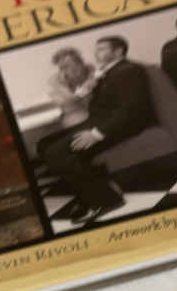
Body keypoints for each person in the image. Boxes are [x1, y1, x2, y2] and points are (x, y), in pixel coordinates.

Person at [38, 36, 158, 223]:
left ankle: (107, 200)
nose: (96, 53)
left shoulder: (128, 70)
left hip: (120, 125)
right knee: (43, 144)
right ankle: (89, 189)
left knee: (56, 152)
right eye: (96, 49)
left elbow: (131, 110)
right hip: (100, 120)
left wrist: (96, 134)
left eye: (102, 49)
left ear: (118, 51)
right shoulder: (109, 71)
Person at [48, 47, 96, 127]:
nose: (65, 70)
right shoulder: (56, 79)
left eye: (67, 65)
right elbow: (70, 99)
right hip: (75, 115)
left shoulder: (91, 70)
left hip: (95, 112)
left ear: (81, 62)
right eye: (61, 67)